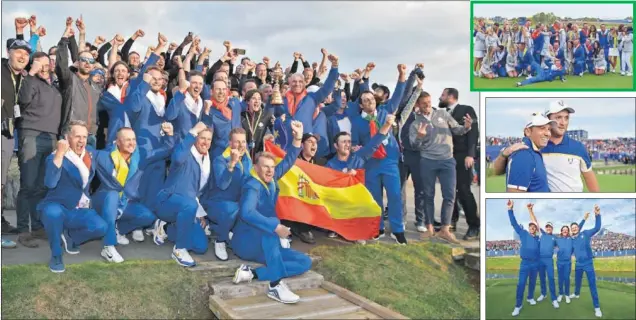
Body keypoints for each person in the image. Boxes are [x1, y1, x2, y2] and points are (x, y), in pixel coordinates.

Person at [231, 120, 313, 304]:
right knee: (270, 235)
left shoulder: (271, 178)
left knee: (304, 262)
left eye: (272, 167)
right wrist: (275, 227)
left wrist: (298, 138)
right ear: (256, 168)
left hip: (264, 244)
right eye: (265, 166)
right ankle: (275, 285)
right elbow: (246, 212)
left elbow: (289, 160)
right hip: (247, 242)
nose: (269, 170)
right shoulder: (252, 185)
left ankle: (251, 273)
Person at [91, 124, 175, 263]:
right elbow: (86, 152)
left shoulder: (141, 156)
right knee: (112, 194)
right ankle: (108, 246)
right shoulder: (104, 155)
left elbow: (165, 150)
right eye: (127, 140)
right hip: (103, 200)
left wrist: (170, 135)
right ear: (118, 142)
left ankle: (119, 229)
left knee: (147, 216)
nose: (132, 143)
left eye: (133, 139)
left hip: (125, 203)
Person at [37, 120, 108, 273]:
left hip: (80, 209)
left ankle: (71, 238)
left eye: (84, 136)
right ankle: (56, 254)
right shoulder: (55, 157)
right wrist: (60, 154)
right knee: (52, 212)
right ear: (67, 137)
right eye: (77, 137)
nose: (82, 140)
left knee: (101, 227)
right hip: (59, 206)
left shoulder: (89, 152)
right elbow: (50, 182)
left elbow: (106, 156)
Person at [350, 64, 407, 243]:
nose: (369, 102)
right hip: (371, 163)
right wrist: (354, 147)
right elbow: (355, 142)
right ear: (361, 104)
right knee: (375, 197)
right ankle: (378, 227)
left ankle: (398, 230)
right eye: (365, 100)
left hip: (389, 161)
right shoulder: (357, 122)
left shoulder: (385, 112)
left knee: (395, 195)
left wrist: (402, 76)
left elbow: (398, 96)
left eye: (371, 99)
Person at [492, 100, 599, 192]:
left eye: (566, 118)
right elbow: (497, 171)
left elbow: (590, 180)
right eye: (558, 117)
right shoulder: (530, 148)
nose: (563, 122)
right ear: (548, 119)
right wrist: (503, 154)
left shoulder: (578, 147)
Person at [409, 89, 472, 243]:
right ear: (417, 104)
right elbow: (414, 146)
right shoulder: (415, 123)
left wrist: (467, 127)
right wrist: (419, 137)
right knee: (428, 195)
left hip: (447, 160)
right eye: (424, 104)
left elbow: (457, 130)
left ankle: (445, 229)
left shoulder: (443, 114)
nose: (427, 106)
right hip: (427, 161)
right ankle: (429, 228)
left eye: (429, 102)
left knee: (450, 195)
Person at [13, 51, 61, 248]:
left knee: (41, 186)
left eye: (47, 63)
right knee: (28, 185)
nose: (45, 66)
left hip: (51, 138)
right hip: (31, 134)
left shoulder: (54, 86)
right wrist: (31, 73)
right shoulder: (29, 81)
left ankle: (38, 225)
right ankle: (24, 229)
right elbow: (22, 100)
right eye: (40, 63)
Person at [326, 114, 398, 243]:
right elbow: (327, 187)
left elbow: (376, 141)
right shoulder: (330, 164)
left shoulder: (359, 156)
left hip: (357, 204)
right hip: (340, 203)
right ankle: (338, 227)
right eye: (343, 142)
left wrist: (387, 124)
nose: (347, 144)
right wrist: (342, 177)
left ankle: (354, 230)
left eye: (349, 141)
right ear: (336, 146)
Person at [152, 122, 212, 267]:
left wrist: (200, 213)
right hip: (166, 201)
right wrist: (192, 132)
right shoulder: (185, 151)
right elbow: (177, 158)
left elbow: (197, 190)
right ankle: (179, 249)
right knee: (189, 204)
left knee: (200, 246)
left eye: (209, 139)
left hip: (188, 206)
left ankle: (165, 227)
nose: (205, 142)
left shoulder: (206, 160)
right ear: (195, 138)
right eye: (202, 138)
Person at [201, 127, 252, 261]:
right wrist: (231, 165)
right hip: (215, 204)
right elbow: (222, 184)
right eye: (237, 142)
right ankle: (220, 240)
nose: (241, 145)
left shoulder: (247, 158)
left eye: (243, 141)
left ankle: (218, 228)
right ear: (230, 143)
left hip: (236, 205)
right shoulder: (220, 160)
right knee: (233, 208)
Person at [439, 88, 479, 240]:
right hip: (447, 156)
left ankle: (474, 225)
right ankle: (450, 222)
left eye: (442, 95)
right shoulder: (441, 113)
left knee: (463, 190)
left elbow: (473, 132)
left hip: (463, 156)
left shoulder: (466, 110)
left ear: (450, 96)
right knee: (449, 190)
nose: (440, 97)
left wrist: (470, 154)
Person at [2, 36, 32, 236]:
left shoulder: (24, 77)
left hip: (8, 134)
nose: (23, 56)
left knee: (2, 181)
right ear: (8, 53)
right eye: (18, 51)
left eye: (26, 53)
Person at [56, 19, 101, 147]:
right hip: (71, 133)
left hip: (91, 136)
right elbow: (61, 64)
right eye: (84, 60)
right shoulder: (69, 79)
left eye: (91, 61)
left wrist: (82, 33)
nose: (87, 63)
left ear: (94, 65)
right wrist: (65, 38)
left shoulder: (97, 87)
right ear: (77, 62)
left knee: (87, 167)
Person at [505, 113, 554, 192]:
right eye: (542, 128)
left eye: (549, 129)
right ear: (528, 131)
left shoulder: (533, 152)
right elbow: (515, 195)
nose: (547, 133)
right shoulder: (524, 155)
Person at [507, 200, 540, 317]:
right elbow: (514, 224)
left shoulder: (538, 238)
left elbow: (536, 223)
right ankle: (518, 305)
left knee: (532, 283)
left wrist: (531, 211)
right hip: (525, 263)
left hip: (535, 264)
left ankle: (530, 297)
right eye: (531, 226)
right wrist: (510, 210)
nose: (532, 227)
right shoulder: (523, 233)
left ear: (536, 229)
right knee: (521, 283)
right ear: (529, 227)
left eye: (534, 227)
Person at [571, 204, 603, 318]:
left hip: (588, 263)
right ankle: (576, 294)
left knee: (592, 285)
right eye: (572, 228)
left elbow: (597, 228)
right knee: (577, 281)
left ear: (578, 228)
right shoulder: (572, 239)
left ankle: (597, 307)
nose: (574, 228)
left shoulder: (585, 233)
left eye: (576, 227)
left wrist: (597, 214)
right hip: (578, 264)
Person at [526, 203, 559, 309]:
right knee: (542, 278)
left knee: (551, 278)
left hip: (549, 260)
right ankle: (543, 294)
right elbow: (535, 222)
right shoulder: (542, 234)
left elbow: (563, 245)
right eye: (547, 227)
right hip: (540, 260)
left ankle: (554, 299)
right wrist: (530, 210)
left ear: (552, 228)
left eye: (550, 227)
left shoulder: (555, 238)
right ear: (545, 228)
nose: (548, 228)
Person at [555, 213, 588, 304]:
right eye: (563, 230)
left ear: (568, 231)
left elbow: (578, 228)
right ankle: (560, 294)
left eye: (566, 230)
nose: (565, 231)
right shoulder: (557, 239)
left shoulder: (571, 238)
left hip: (567, 263)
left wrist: (584, 219)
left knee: (567, 278)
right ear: (561, 231)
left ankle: (567, 295)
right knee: (560, 279)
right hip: (559, 262)